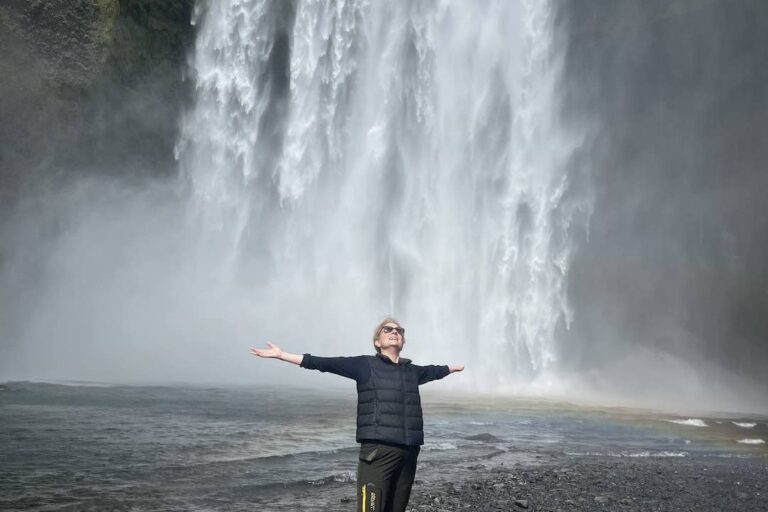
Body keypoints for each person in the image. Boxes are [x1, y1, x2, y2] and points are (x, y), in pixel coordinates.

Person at [250, 317, 464, 512]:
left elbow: (435, 370)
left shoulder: (412, 371)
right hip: (378, 451)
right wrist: (281, 355)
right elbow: (323, 363)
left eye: (399, 330)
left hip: (409, 452)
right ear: (377, 342)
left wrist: (452, 368)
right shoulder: (365, 365)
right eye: (387, 329)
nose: (394, 332)